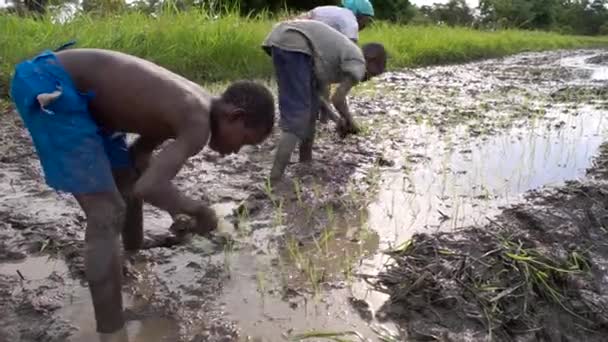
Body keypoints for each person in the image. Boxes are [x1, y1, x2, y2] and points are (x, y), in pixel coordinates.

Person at [9, 45, 275, 338]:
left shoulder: (191, 105)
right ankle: (112, 333)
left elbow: (139, 160)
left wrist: (170, 205)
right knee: (105, 213)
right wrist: (200, 211)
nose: (236, 151)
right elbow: (150, 187)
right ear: (235, 116)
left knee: (126, 174)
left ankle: (132, 252)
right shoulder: (197, 121)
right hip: (52, 84)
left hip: (84, 99)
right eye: (245, 141)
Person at [261, 19, 387, 184]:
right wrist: (350, 121)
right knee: (298, 116)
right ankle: (275, 179)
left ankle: (305, 161)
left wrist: (337, 120)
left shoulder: (335, 59)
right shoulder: (359, 61)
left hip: (288, 40)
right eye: (372, 75)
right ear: (371, 61)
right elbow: (338, 99)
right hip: (296, 42)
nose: (367, 79)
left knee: (311, 110)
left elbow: (319, 99)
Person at [295, 0, 375, 42]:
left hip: (297, 29)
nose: (366, 24)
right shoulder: (350, 20)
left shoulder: (338, 12)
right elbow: (350, 47)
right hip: (300, 36)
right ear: (359, 14)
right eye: (366, 19)